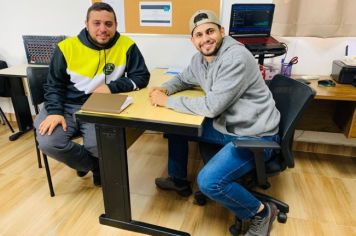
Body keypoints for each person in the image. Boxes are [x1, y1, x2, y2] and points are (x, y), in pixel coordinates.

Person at [149, 10, 280, 236]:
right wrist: (165, 88)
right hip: (229, 126)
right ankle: (178, 180)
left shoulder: (235, 57)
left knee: (209, 182)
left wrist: (167, 101)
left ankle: (261, 212)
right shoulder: (200, 59)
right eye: (198, 35)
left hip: (255, 135)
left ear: (222, 31)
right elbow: (183, 78)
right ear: (193, 41)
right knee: (176, 129)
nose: (205, 38)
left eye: (210, 31)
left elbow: (211, 107)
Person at [34, 2, 150, 187]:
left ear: (116, 25)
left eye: (108, 24)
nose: (103, 29)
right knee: (49, 142)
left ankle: (91, 163)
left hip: (100, 105)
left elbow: (142, 76)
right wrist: (55, 112)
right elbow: (53, 85)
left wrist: (111, 87)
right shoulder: (66, 47)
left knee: (101, 145)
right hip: (64, 105)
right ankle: (93, 166)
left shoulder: (127, 45)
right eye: (96, 23)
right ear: (86, 24)